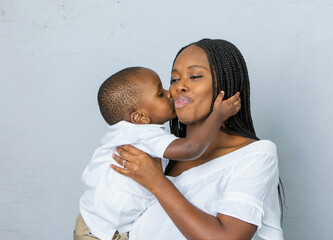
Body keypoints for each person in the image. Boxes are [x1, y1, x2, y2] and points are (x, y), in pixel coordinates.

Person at [111, 39, 284, 240]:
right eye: (174, 79)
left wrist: (156, 183)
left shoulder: (256, 155)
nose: (179, 87)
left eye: (194, 76)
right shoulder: (161, 158)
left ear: (226, 86)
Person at [74, 66, 241, 240]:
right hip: (100, 232)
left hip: (93, 221)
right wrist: (218, 115)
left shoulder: (127, 133)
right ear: (140, 118)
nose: (170, 93)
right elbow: (191, 148)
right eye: (160, 94)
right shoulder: (143, 134)